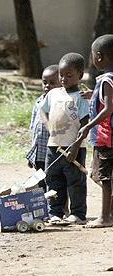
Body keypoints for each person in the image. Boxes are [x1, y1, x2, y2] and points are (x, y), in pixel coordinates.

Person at [40, 53, 90, 225]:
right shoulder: (53, 94)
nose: (64, 78)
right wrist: (48, 127)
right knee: (53, 179)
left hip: (74, 148)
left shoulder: (81, 97)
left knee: (75, 181)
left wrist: (75, 146)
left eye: (69, 75)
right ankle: (55, 212)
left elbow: (85, 125)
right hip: (53, 146)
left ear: (80, 76)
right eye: (61, 75)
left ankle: (78, 214)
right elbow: (43, 110)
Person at [72, 34, 113, 228]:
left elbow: (108, 108)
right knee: (103, 176)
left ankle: (105, 217)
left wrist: (88, 125)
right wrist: (93, 95)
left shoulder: (106, 80)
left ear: (99, 56)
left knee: (102, 177)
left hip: (106, 138)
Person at [26, 64, 60, 192]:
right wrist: (32, 155)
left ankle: (63, 209)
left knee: (56, 182)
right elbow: (34, 130)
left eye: (52, 83)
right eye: (44, 82)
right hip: (39, 154)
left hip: (54, 153)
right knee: (41, 183)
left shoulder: (60, 103)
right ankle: (46, 210)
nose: (47, 86)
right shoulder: (39, 102)